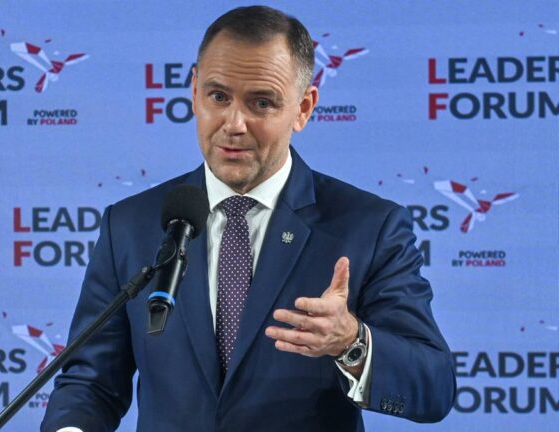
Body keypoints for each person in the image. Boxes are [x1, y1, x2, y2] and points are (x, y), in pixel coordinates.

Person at [41, 6, 456, 432]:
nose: (234, 124)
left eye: (261, 103)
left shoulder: (368, 227)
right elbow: (89, 383)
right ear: (194, 92)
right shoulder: (130, 225)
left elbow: (434, 386)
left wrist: (351, 343)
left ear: (303, 108)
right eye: (218, 97)